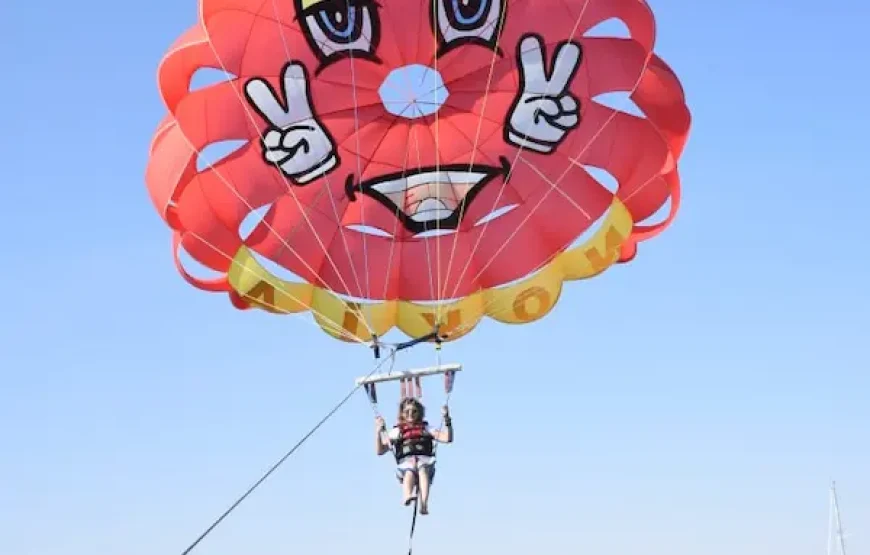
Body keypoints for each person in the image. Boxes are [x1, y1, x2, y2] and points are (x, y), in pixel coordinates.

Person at [375, 397, 453, 515]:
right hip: (406, 464)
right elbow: (380, 451)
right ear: (402, 414)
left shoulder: (426, 428)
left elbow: (447, 438)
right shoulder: (397, 432)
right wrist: (378, 432)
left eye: (414, 411)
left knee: (422, 467)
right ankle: (407, 496)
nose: (410, 414)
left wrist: (447, 420)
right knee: (410, 470)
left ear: (419, 413)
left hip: (425, 462)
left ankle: (424, 504)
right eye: (407, 412)